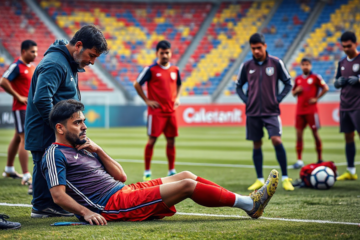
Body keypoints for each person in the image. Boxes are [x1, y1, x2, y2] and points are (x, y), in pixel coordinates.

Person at [42, 99, 279, 224]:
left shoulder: (84, 146)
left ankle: (250, 204)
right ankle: (249, 204)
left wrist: (99, 149)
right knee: (187, 187)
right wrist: (85, 213)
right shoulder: (54, 154)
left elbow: (121, 177)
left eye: (84, 121)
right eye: (77, 123)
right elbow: (58, 195)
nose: (84, 126)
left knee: (185, 175)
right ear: (60, 128)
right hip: (110, 205)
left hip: (123, 190)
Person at [24, 25, 108, 218]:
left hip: (54, 128)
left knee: (55, 164)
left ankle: (50, 204)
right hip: (46, 129)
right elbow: (42, 99)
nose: (93, 62)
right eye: (92, 55)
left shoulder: (67, 61)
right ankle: (42, 206)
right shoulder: (55, 63)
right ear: (78, 45)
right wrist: (59, 128)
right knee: (45, 164)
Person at [236, 33, 294, 191]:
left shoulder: (275, 63)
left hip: (271, 112)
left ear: (265, 46)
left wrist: (278, 98)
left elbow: (288, 83)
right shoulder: (247, 66)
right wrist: (246, 101)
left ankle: (285, 178)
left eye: (258, 48)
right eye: (253, 48)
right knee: (256, 144)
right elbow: (238, 86)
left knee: (276, 140)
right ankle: (259, 179)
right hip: (253, 112)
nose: (256, 51)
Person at [133, 40, 181, 181]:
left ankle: (171, 170)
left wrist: (177, 98)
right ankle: (147, 172)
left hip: (171, 111)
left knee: (171, 141)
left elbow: (179, 84)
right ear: (157, 53)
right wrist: (147, 100)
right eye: (162, 53)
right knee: (152, 141)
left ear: (170, 53)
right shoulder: (151, 69)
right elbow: (137, 84)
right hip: (157, 113)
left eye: (167, 52)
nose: (165, 55)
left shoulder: (175, 70)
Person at [0, 40, 37, 192]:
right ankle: (27, 174)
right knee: (24, 137)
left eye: (35, 51)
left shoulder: (32, 68)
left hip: (29, 108)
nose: (35, 54)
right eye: (32, 52)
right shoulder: (17, 66)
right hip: (20, 108)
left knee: (17, 137)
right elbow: (3, 81)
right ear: (23, 51)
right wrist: (18, 96)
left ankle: (9, 169)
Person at [291, 58, 329, 169]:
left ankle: (320, 158)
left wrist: (317, 98)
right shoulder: (297, 79)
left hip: (311, 111)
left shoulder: (316, 77)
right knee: (298, 136)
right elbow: (293, 93)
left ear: (310, 66)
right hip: (299, 111)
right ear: (300, 66)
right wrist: (296, 91)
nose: (305, 67)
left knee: (315, 134)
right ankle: (299, 160)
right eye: (303, 65)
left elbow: (325, 88)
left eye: (307, 64)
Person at [334, 31, 360, 181]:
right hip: (345, 105)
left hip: (358, 105)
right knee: (348, 138)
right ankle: (351, 171)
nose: (346, 49)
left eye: (349, 46)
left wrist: (358, 79)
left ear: (356, 44)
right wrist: (338, 83)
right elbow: (336, 81)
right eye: (343, 46)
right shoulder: (342, 62)